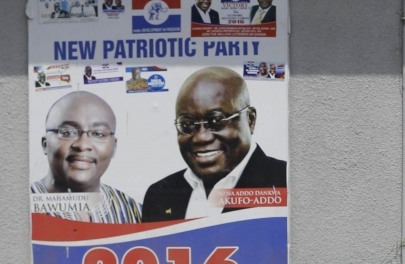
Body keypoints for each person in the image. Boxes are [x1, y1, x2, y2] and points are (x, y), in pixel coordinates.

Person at [142, 67, 286, 221]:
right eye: (188, 124)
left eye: (216, 121)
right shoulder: (160, 195)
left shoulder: (287, 181)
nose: (201, 138)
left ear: (250, 120)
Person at [31, 91, 141, 224]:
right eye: (67, 132)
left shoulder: (133, 211)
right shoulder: (17, 207)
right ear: (45, 144)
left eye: (99, 134)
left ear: (114, 148)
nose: (83, 145)